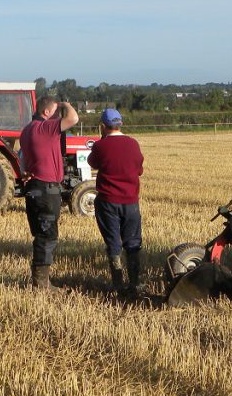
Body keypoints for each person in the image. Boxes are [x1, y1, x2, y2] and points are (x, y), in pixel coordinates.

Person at [19, 97, 79, 288]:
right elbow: (73, 119)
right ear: (46, 112)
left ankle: (41, 280)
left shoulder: (26, 130)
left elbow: (22, 158)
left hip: (33, 188)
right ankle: (41, 283)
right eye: (54, 112)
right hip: (46, 189)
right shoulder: (45, 128)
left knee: (40, 233)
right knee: (48, 235)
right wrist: (65, 105)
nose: (56, 117)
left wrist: (25, 172)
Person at [87, 108, 145, 298]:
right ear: (120, 124)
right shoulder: (133, 144)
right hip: (130, 202)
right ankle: (135, 283)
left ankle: (118, 285)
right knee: (133, 242)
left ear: (103, 126)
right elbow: (139, 170)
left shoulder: (100, 146)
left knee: (113, 242)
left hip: (107, 201)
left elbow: (92, 163)